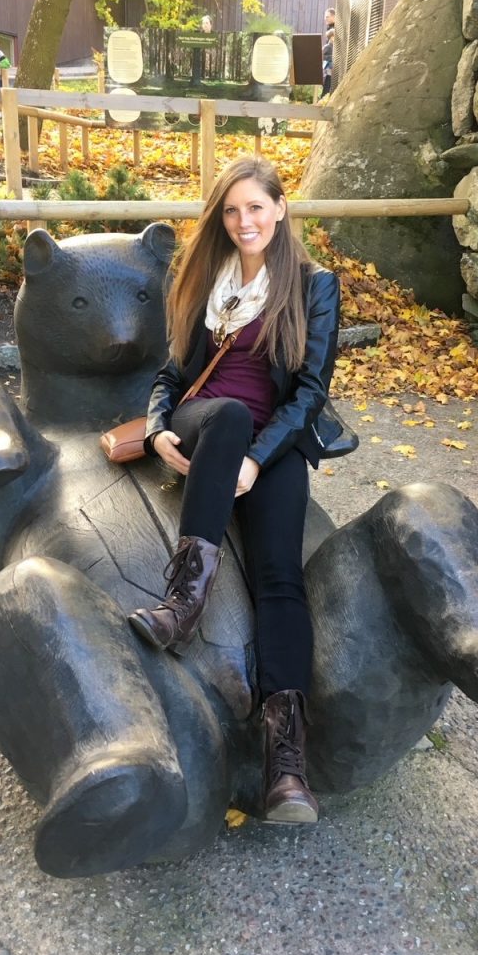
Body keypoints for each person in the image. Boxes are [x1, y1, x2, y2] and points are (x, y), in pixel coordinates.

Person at [128, 157, 343, 825]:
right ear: (221, 219)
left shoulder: (313, 287)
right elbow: (172, 376)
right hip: (208, 426)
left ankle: (286, 766)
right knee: (224, 414)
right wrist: (161, 428)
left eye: (256, 207)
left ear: (281, 209)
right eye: (231, 210)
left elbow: (310, 392)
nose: (244, 221)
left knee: (281, 578)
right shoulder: (206, 282)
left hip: (271, 442)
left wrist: (258, 460)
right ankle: (183, 601)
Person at [321, 28, 334, 98]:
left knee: (328, 88)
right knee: (326, 88)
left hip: (331, 71)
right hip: (328, 72)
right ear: (331, 37)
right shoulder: (327, 47)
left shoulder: (333, 47)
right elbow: (323, 59)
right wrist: (329, 68)